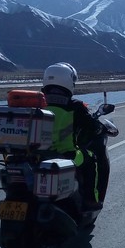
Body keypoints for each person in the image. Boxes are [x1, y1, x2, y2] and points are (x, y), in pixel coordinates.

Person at [41, 62, 102, 210]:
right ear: (68, 81)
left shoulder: (37, 103)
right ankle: (90, 201)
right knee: (91, 160)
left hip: (35, 155)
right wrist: (99, 127)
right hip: (66, 154)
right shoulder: (74, 106)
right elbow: (93, 126)